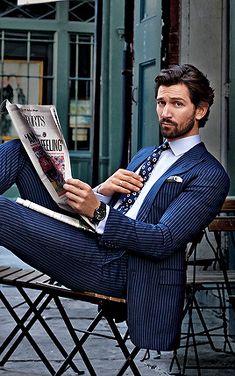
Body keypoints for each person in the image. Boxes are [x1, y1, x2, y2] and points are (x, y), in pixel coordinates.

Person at [0, 64, 230, 352]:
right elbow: (118, 210)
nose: (165, 112)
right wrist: (103, 192)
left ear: (200, 110)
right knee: (19, 150)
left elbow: (162, 240)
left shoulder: (209, 174)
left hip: (121, 267)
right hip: (86, 237)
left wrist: (97, 210)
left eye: (177, 104)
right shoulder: (148, 154)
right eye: (161, 102)